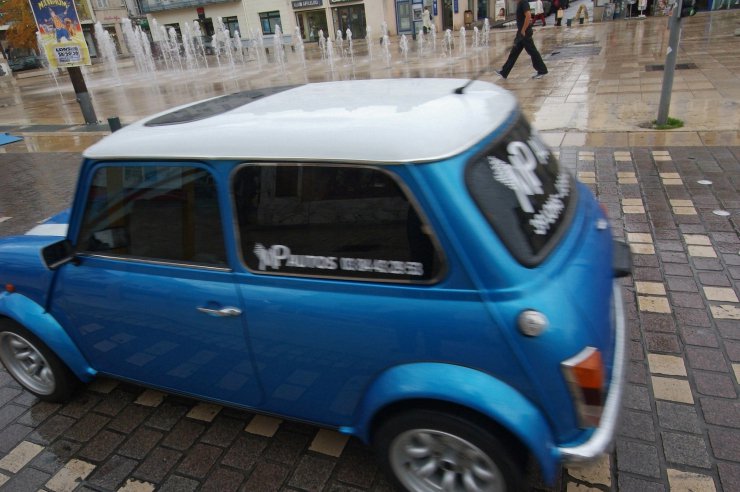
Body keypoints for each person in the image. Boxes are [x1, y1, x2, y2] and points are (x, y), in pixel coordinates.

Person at [494, 0, 548, 80]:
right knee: (514, 52)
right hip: (521, 33)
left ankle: (542, 70)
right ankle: (504, 72)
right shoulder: (520, 3)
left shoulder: (523, 3)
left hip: (524, 33)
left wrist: (523, 30)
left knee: (532, 52)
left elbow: (528, 16)